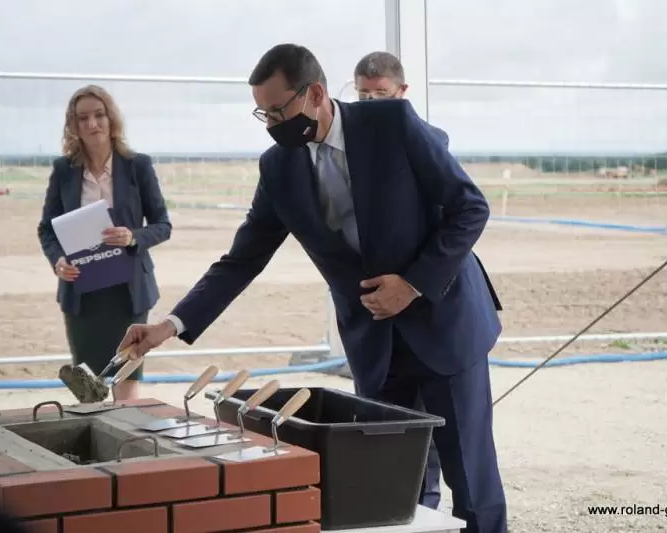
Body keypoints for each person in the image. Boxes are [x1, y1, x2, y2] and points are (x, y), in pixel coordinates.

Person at [119, 43, 507, 533]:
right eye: (263, 113)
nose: (271, 124)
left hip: (444, 320)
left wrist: (412, 284)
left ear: (316, 94)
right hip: (374, 342)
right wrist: (170, 326)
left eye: (278, 110)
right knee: (394, 485)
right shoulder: (278, 168)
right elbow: (241, 260)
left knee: (470, 478)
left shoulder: (392, 124)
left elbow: (470, 207)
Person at [352, 49, 453, 512]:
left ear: (403, 92)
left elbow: (451, 220)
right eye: (363, 96)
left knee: (436, 435)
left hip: (426, 311)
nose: (372, 104)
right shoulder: (349, 152)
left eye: (382, 94)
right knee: (390, 439)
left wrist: (411, 284)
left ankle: (428, 508)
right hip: (375, 320)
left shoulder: (429, 140)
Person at [37, 84, 171, 401]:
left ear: (111, 119)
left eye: (99, 115)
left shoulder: (138, 166)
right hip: (82, 294)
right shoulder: (63, 170)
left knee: (126, 380)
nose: (92, 124)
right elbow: (47, 229)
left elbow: (163, 225)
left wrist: (133, 236)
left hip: (129, 294)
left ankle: (126, 432)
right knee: (87, 386)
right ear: (73, 125)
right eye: (83, 118)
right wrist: (58, 261)